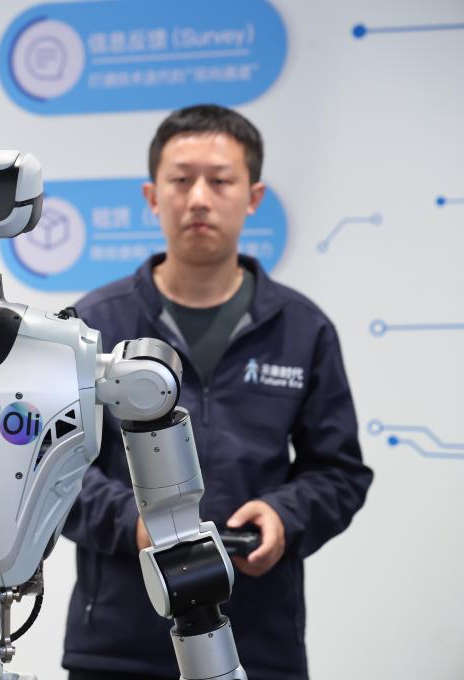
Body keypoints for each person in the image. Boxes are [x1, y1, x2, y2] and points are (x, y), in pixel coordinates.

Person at [61, 104, 374, 680]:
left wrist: (283, 517)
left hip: (259, 639)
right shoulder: (93, 326)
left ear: (253, 197)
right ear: (152, 196)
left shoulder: (302, 329)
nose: (199, 199)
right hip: (118, 644)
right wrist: (135, 523)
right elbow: (53, 473)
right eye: (181, 180)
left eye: (221, 181)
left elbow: (339, 472)